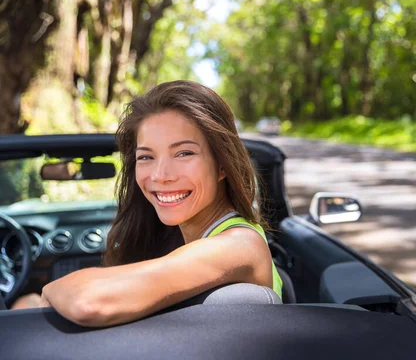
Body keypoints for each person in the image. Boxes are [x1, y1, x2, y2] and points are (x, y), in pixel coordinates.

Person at [10, 80, 282, 325]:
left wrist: (45, 292)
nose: (161, 176)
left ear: (222, 164)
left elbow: (88, 301)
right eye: (146, 157)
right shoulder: (177, 238)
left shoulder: (240, 244)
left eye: (184, 153)